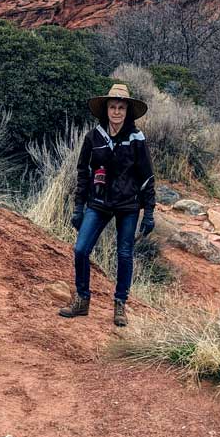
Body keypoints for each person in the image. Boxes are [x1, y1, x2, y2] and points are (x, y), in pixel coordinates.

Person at [59, 83, 156, 326]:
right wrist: (79, 207)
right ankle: (82, 300)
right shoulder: (94, 137)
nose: (116, 112)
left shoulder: (137, 138)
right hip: (98, 202)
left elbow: (146, 176)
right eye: (112, 107)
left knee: (124, 254)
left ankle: (120, 305)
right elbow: (83, 173)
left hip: (128, 205)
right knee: (81, 249)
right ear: (106, 110)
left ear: (127, 111)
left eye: (121, 108)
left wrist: (149, 212)